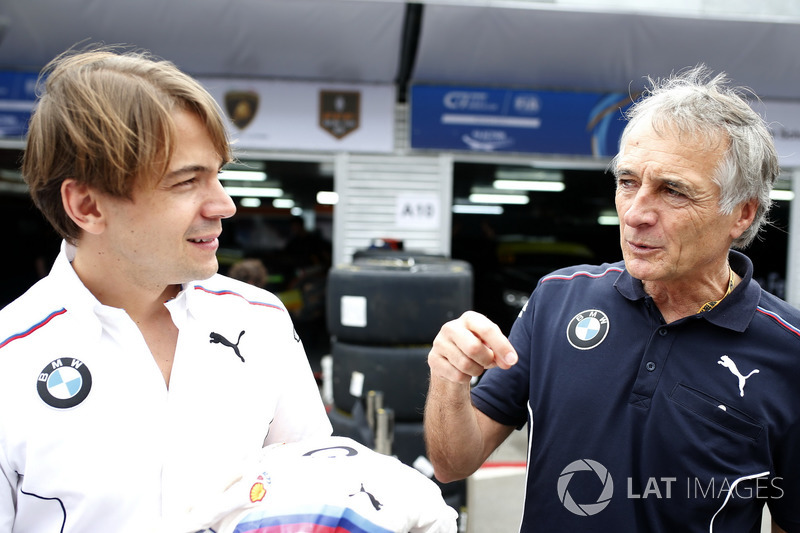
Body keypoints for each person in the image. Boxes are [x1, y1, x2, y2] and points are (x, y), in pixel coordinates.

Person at [424, 66, 800, 532]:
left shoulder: (789, 351)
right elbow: (451, 463)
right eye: (627, 182)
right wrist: (447, 378)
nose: (637, 213)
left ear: (740, 213)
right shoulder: (558, 298)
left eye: (673, 190)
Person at [0, 46, 332, 532]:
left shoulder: (260, 320)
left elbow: (317, 493)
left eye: (218, 174)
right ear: (87, 206)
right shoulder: (11, 358)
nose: (225, 204)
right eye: (185, 182)